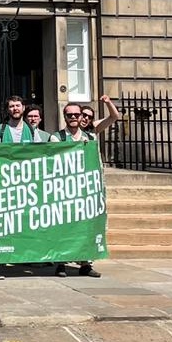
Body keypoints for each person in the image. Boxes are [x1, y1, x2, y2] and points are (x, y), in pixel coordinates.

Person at [48, 99, 117, 278]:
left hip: (87, 190)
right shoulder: (57, 137)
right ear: (64, 117)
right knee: (63, 226)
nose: (73, 117)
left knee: (86, 227)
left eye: (76, 115)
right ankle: (61, 263)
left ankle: (86, 263)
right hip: (65, 189)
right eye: (69, 115)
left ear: (81, 117)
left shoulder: (90, 137)